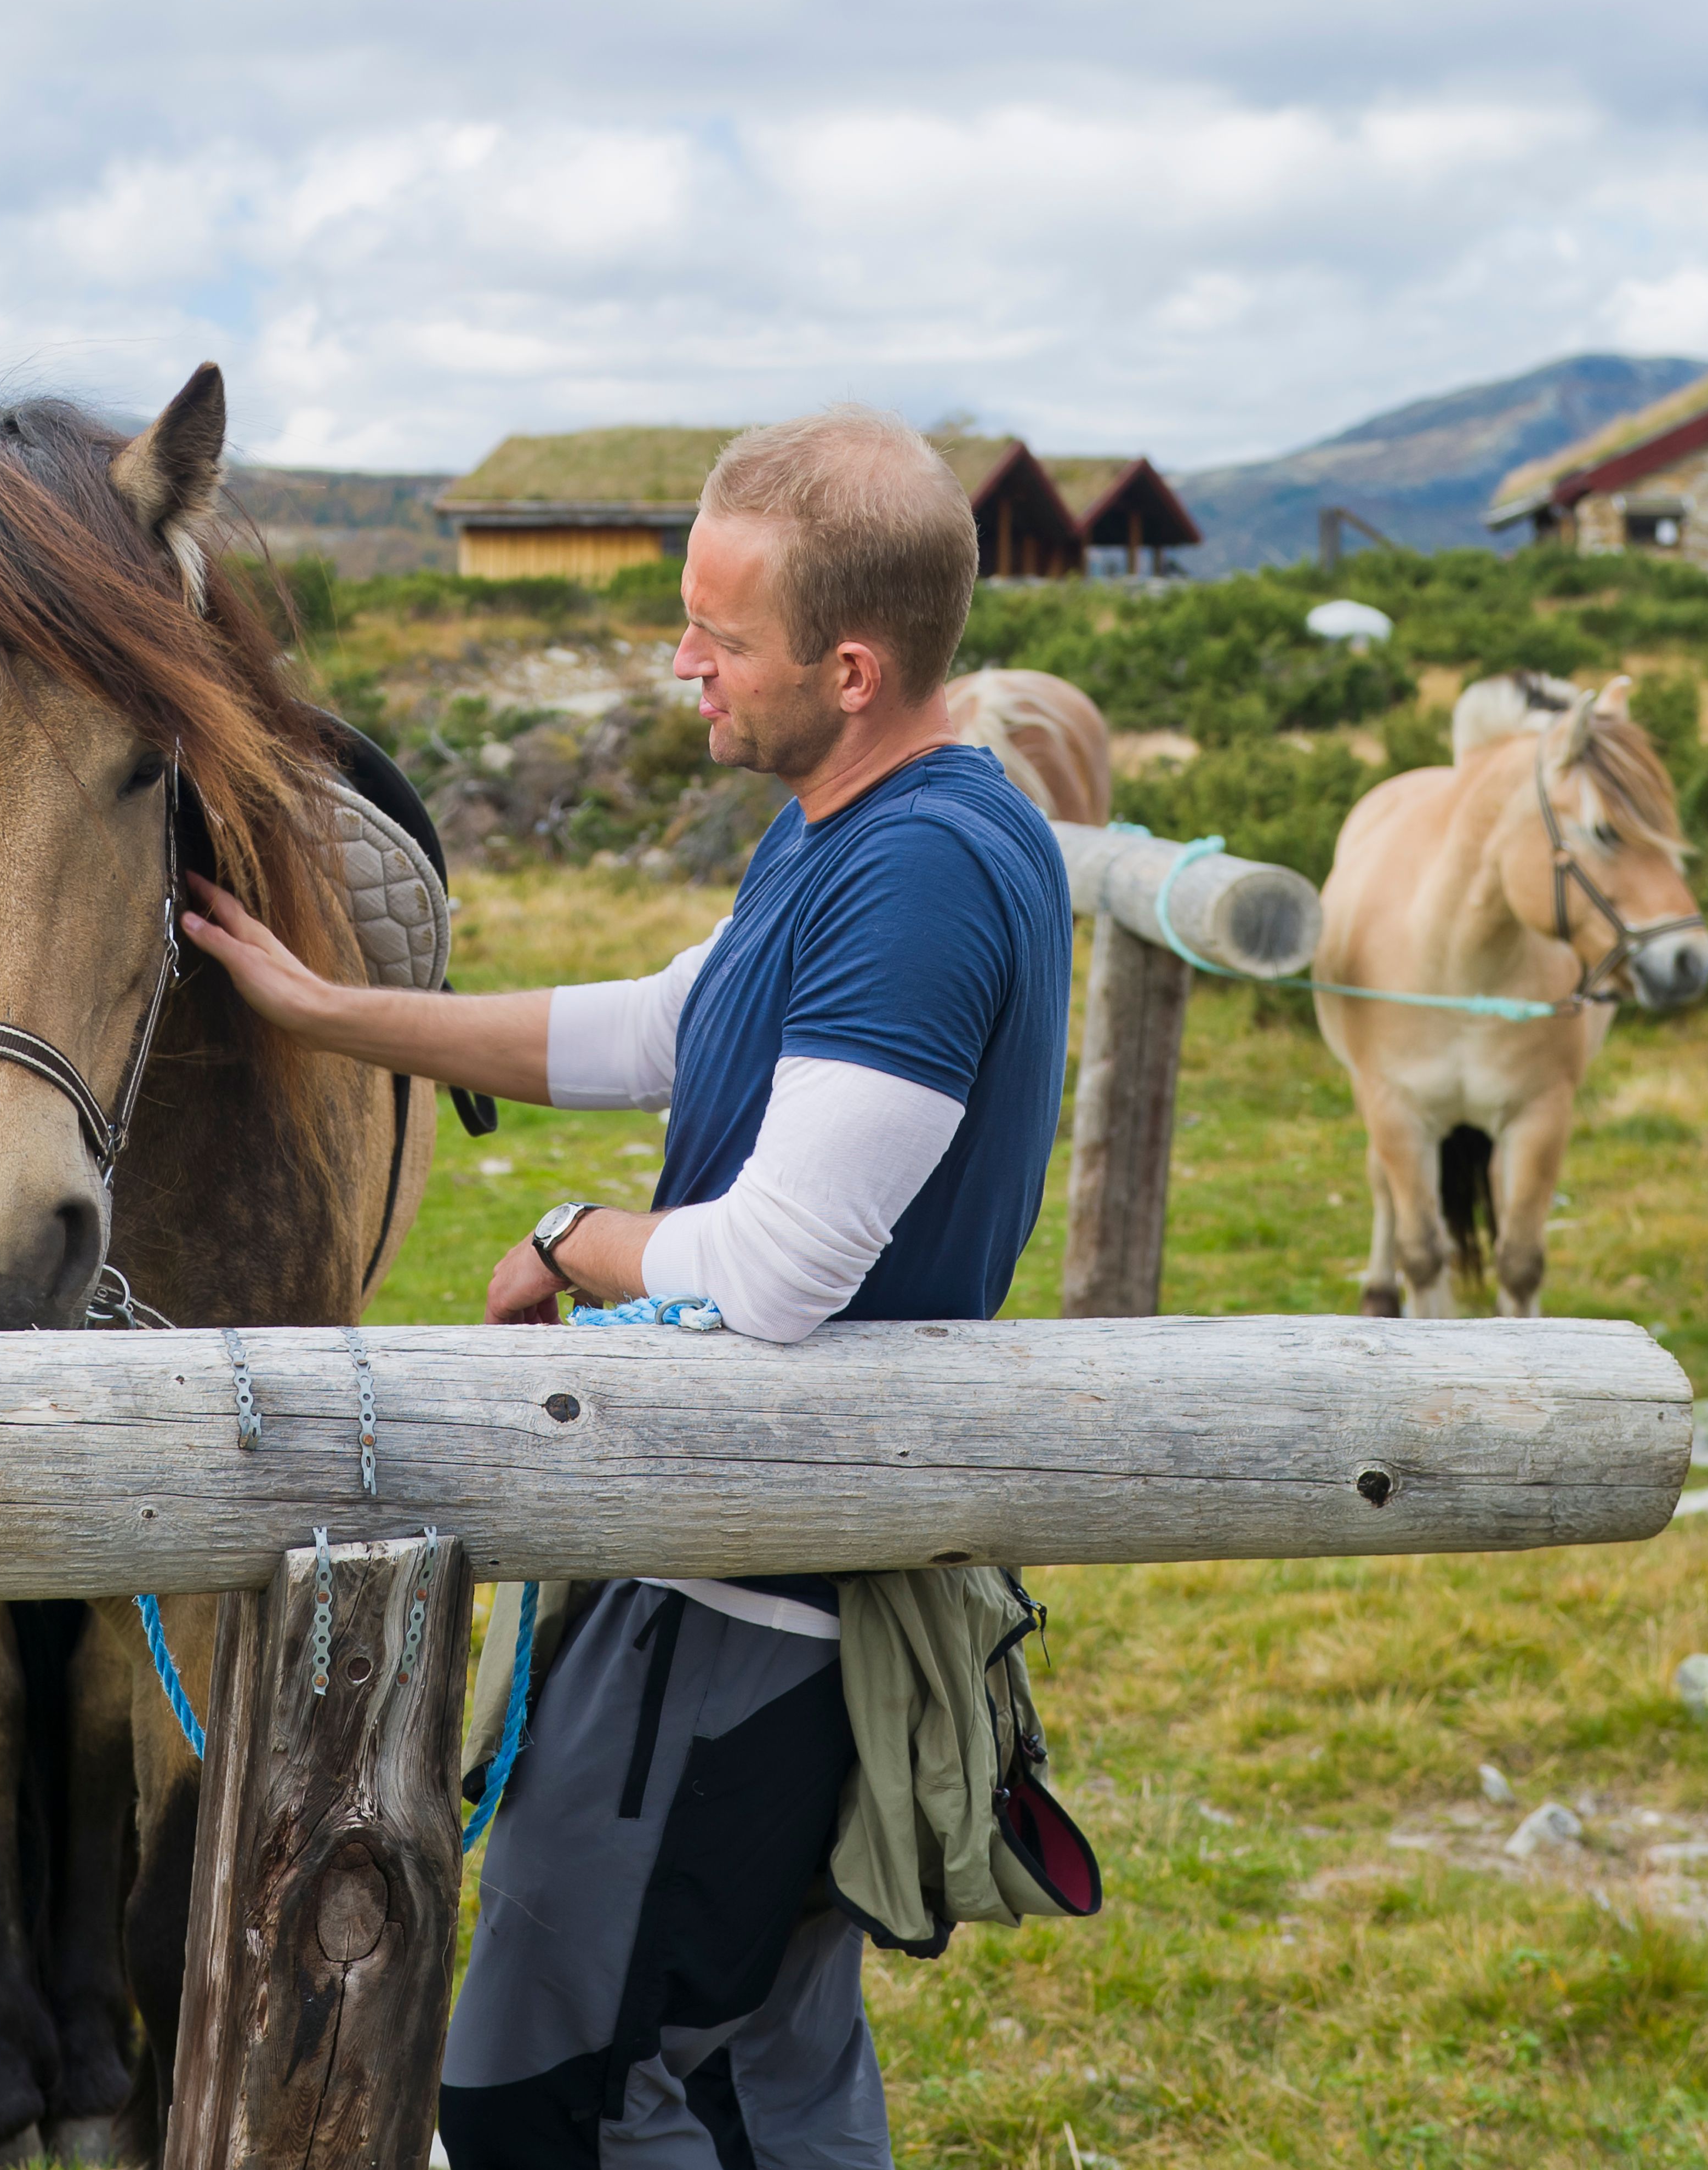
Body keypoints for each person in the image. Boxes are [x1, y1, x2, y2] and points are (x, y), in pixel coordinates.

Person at [180, 407, 1073, 2170]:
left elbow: (786, 1264)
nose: (685, 666)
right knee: (749, 2062)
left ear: (852, 663)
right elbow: (675, 1019)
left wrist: (574, 1238)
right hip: (741, 1576)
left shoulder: (917, 873)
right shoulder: (850, 824)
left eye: (717, 637)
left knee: (568, 2083)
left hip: (754, 1607)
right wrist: (336, 1011)